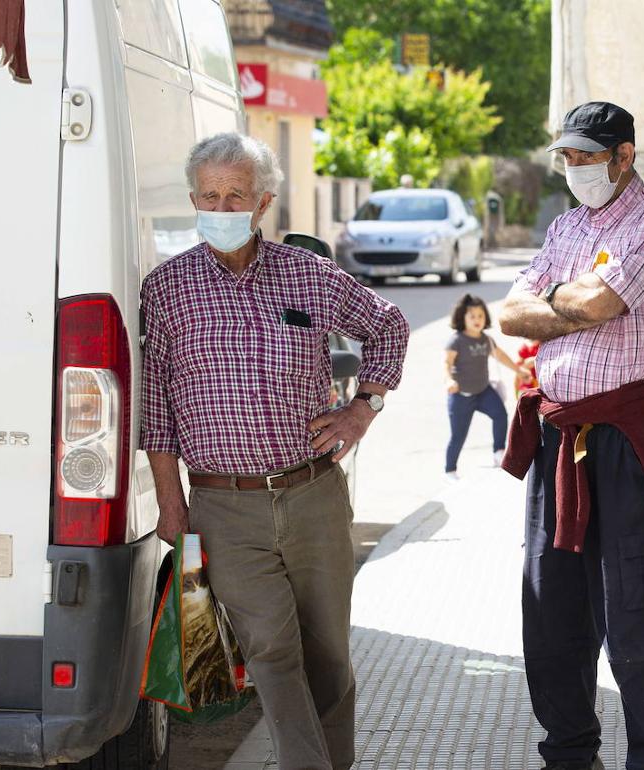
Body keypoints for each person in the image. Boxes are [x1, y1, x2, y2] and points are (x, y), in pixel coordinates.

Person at [141, 132, 409, 770]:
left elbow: (390, 327)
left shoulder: (308, 275)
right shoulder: (166, 289)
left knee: (328, 656)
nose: (222, 205)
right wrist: (172, 507)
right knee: (270, 650)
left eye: (236, 194)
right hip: (223, 505)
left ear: (263, 203)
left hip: (313, 493)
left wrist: (361, 409)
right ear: (192, 200)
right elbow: (157, 415)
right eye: (210, 195)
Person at [499, 101, 644, 770]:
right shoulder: (563, 228)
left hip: (626, 441)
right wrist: (573, 299)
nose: (577, 167)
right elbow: (509, 313)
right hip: (558, 437)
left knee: (638, 612)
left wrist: (563, 302)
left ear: (625, 155)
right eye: (570, 156)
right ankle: (569, 756)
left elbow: (601, 304)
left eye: (590, 155)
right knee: (550, 608)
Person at [444, 293, 530, 479]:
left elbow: (500, 355)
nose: (477, 320)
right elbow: (447, 363)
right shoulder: (456, 340)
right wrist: (449, 380)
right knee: (458, 435)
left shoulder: (486, 340)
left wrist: (518, 370)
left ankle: (499, 452)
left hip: (483, 391)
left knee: (500, 415)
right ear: (462, 318)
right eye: (472, 316)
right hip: (461, 396)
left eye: (481, 316)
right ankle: (450, 470)